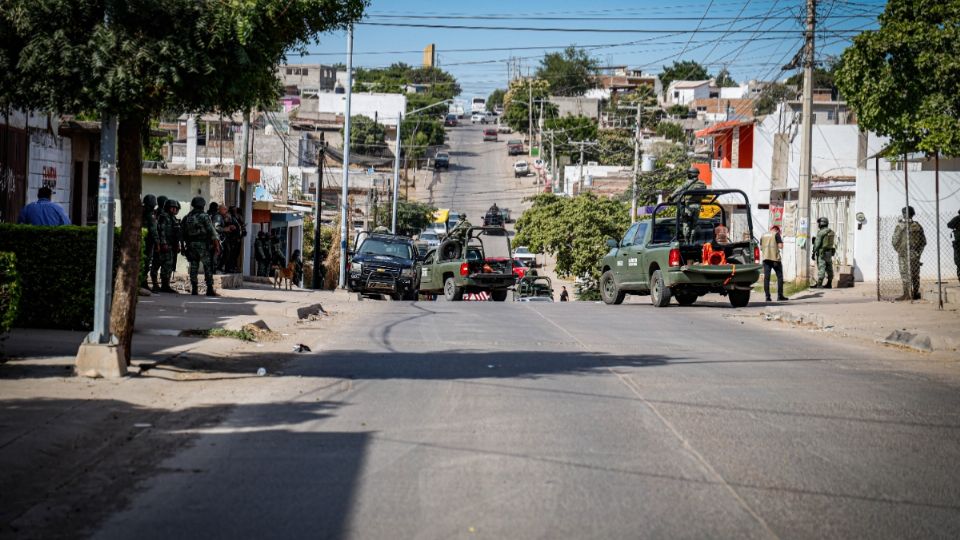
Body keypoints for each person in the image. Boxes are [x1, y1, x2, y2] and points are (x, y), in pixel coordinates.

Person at [182, 197, 221, 296]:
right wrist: (217, 245)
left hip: (191, 245)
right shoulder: (204, 216)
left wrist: (183, 246)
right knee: (207, 266)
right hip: (203, 245)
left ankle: (194, 289)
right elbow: (212, 231)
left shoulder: (187, 217)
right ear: (203, 205)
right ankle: (209, 289)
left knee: (194, 266)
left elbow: (182, 233)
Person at [892, 205, 927, 301]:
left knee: (905, 274)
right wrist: (918, 253)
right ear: (913, 214)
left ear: (903, 214)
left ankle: (907, 294)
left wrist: (900, 251)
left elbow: (894, 241)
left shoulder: (900, 226)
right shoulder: (917, 226)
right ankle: (914, 293)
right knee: (915, 274)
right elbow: (923, 242)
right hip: (914, 254)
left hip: (904, 254)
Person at [156, 198, 182, 293]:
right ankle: (164, 285)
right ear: (168, 207)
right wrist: (163, 243)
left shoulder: (173, 218)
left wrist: (178, 244)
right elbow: (161, 231)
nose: (174, 210)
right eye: (172, 208)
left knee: (170, 265)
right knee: (165, 265)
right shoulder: (164, 216)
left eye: (175, 208)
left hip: (172, 244)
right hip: (166, 244)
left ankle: (166, 284)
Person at [760, 225, 788, 302]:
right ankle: (780, 295)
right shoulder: (776, 234)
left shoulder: (763, 235)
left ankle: (767, 297)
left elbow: (761, 248)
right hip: (775, 259)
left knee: (766, 278)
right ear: (777, 230)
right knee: (780, 277)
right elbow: (780, 246)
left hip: (766, 259)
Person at [142, 194, 160, 291]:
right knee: (146, 262)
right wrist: (157, 243)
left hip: (140, 239)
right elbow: (153, 230)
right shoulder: (150, 214)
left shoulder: (140, 211)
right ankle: (143, 282)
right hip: (148, 241)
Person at [811, 217, 836, 289]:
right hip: (829, 252)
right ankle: (829, 283)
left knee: (822, 267)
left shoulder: (821, 232)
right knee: (829, 268)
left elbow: (817, 244)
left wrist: (813, 252)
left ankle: (819, 284)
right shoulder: (830, 231)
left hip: (822, 253)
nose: (818, 224)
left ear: (822, 223)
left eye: (819, 223)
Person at [217, 205, 240, 273]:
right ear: (220, 210)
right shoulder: (218, 217)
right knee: (224, 253)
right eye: (224, 209)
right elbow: (216, 227)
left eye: (226, 209)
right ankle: (219, 268)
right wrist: (226, 229)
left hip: (226, 239)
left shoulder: (227, 217)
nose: (226, 211)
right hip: (220, 239)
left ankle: (223, 267)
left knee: (229, 253)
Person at [948, 209, 960, 285]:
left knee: (958, 262)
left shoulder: (957, 218)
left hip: (958, 243)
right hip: (958, 243)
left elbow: (949, 225)